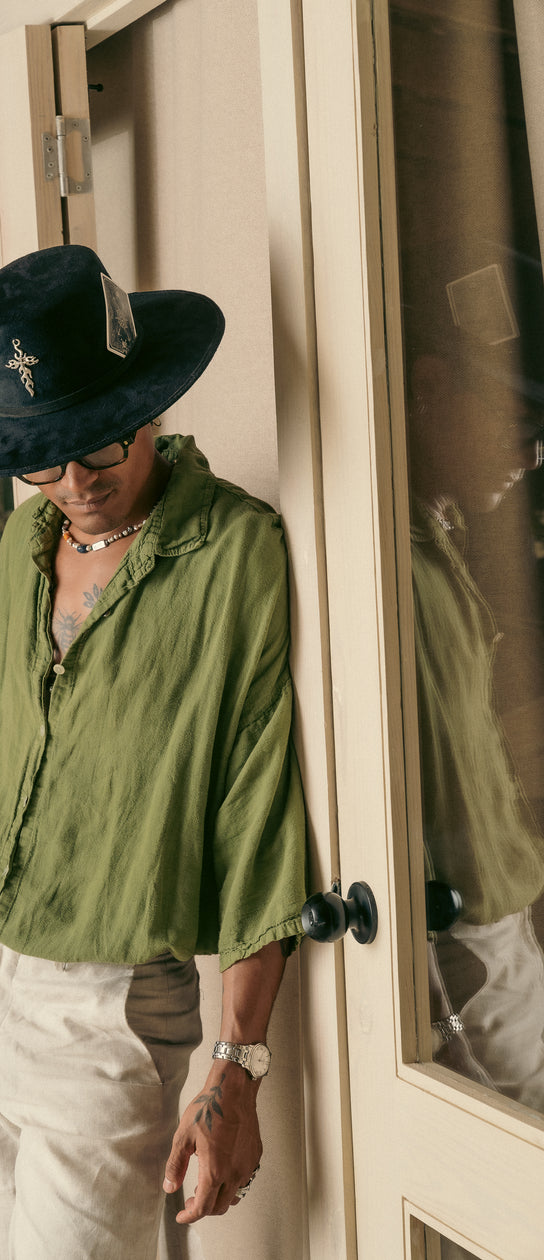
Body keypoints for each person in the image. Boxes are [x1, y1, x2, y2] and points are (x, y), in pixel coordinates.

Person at [0, 244, 307, 1258]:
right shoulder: (23, 543)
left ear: (149, 401)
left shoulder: (232, 558)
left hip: (101, 1007)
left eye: (98, 444)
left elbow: (258, 823)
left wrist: (236, 1070)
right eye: (41, 458)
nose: (75, 482)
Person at [404, 258, 544, 1110]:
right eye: (515, 416)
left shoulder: (432, 532)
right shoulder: (397, 570)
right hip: (469, 944)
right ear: (427, 389)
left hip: (501, 925)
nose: (530, 451)